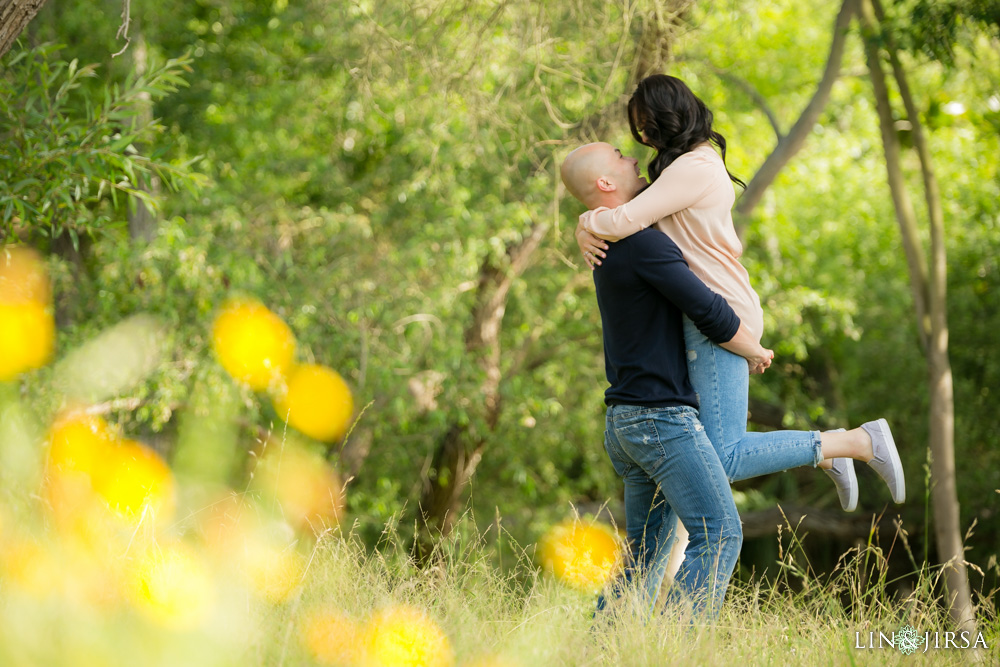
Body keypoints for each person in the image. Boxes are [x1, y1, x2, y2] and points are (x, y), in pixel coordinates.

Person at [560, 141, 904, 619]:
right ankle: (676, 651)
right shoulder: (643, 243)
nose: (634, 158)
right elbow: (705, 307)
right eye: (621, 156)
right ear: (604, 183)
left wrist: (584, 223)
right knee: (719, 533)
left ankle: (603, 649)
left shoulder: (608, 247)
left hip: (624, 421)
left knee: (644, 555)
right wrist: (753, 347)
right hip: (660, 420)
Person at [574, 75, 905, 517]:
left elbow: (624, 219)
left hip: (721, 309)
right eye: (639, 133)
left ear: (668, 118)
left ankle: (856, 441)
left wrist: (585, 223)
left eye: (646, 128)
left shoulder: (694, 167)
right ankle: (829, 451)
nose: (643, 141)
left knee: (720, 457)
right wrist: (587, 223)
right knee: (709, 455)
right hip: (710, 310)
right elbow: (625, 215)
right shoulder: (681, 170)